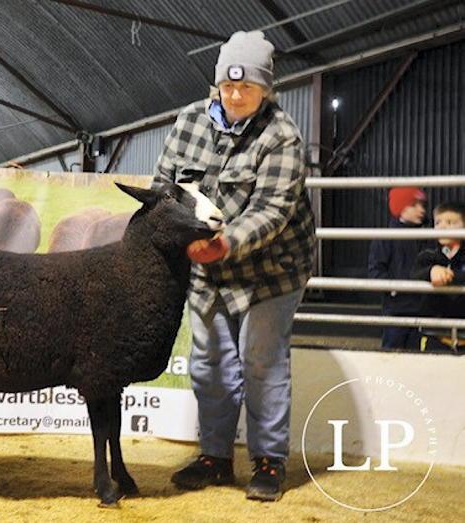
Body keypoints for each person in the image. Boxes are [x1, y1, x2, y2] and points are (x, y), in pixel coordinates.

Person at [152, 31, 316, 502]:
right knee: (209, 364)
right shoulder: (188, 123)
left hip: (273, 269)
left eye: (247, 86)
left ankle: (268, 461)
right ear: (217, 83)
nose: (236, 93)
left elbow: (272, 210)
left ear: (267, 89)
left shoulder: (282, 136)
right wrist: (179, 236)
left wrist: (224, 244)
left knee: (261, 362)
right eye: (228, 84)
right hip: (207, 267)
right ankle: (215, 457)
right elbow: (165, 185)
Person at [368, 187, 427, 349]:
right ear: (400, 207)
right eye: (414, 205)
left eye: (422, 205)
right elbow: (376, 271)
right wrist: (393, 288)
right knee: (393, 352)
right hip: (397, 309)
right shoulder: (386, 238)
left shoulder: (427, 236)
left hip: (423, 308)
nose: (421, 210)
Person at [411, 202, 465, 350]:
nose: (442, 227)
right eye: (438, 222)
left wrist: (450, 276)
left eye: (450, 222)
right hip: (434, 333)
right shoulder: (428, 255)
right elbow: (414, 274)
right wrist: (431, 271)